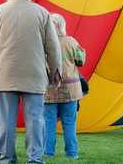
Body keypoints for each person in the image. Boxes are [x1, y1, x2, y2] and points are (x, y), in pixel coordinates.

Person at [0, 0, 62, 164]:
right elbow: (53, 46)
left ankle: (5, 158)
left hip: (5, 75)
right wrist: (55, 71)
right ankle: (35, 158)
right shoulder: (42, 13)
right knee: (35, 120)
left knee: (6, 120)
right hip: (34, 75)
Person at [43, 13, 86, 159]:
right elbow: (81, 61)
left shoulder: (44, 43)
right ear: (62, 26)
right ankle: (72, 154)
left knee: (49, 124)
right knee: (69, 123)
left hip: (49, 90)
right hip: (71, 90)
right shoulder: (71, 42)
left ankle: (48, 153)